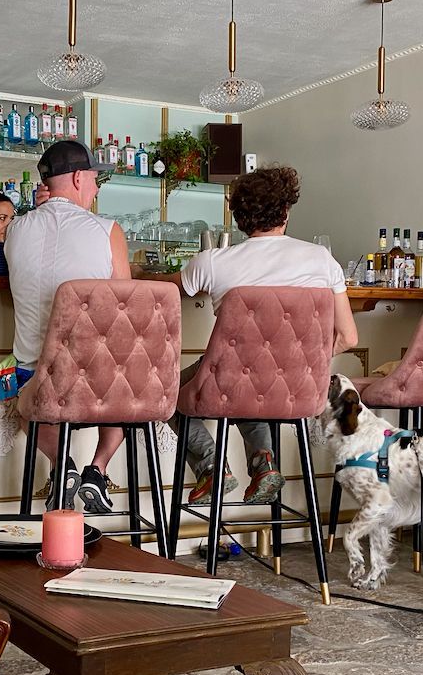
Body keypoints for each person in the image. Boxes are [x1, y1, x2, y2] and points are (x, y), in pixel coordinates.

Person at [138, 165, 358, 505]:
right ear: (286, 211)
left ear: (239, 218)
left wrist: (135, 270)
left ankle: (212, 466)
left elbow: (165, 289)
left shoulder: (213, 262)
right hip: (300, 389)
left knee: (164, 393)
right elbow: (348, 337)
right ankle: (262, 463)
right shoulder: (322, 259)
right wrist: (294, 366)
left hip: (232, 380)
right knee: (250, 377)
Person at [4, 139, 132, 513]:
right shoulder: (108, 230)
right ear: (78, 178)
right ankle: (98, 470)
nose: (95, 189)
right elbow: (125, 305)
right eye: (94, 180)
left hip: (36, 383)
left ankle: (63, 466)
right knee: (126, 379)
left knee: (24, 404)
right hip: (97, 385)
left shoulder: (15, 230)